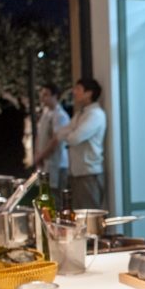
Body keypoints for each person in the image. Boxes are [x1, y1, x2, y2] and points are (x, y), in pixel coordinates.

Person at [55, 77, 107, 210]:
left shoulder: (95, 114)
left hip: (89, 173)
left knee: (89, 213)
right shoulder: (80, 113)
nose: (74, 92)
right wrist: (71, 133)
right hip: (76, 172)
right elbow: (60, 133)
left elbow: (75, 138)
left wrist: (71, 133)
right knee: (77, 214)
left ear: (89, 93)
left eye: (78, 89)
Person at [32, 83, 70, 191]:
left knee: (55, 195)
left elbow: (55, 140)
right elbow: (40, 135)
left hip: (57, 164)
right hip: (45, 163)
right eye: (42, 95)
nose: (42, 98)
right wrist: (37, 154)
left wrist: (41, 156)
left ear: (55, 96)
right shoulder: (46, 113)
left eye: (46, 95)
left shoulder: (60, 115)